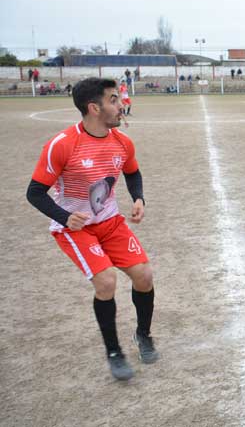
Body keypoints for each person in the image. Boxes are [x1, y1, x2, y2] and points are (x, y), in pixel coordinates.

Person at [25, 77, 158, 380]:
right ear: (94, 107)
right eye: (114, 100)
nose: (121, 104)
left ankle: (144, 335)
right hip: (76, 229)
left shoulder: (122, 141)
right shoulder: (62, 145)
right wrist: (63, 216)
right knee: (106, 282)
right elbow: (34, 192)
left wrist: (138, 198)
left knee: (144, 276)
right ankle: (114, 351)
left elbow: (132, 172)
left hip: (110, 223)